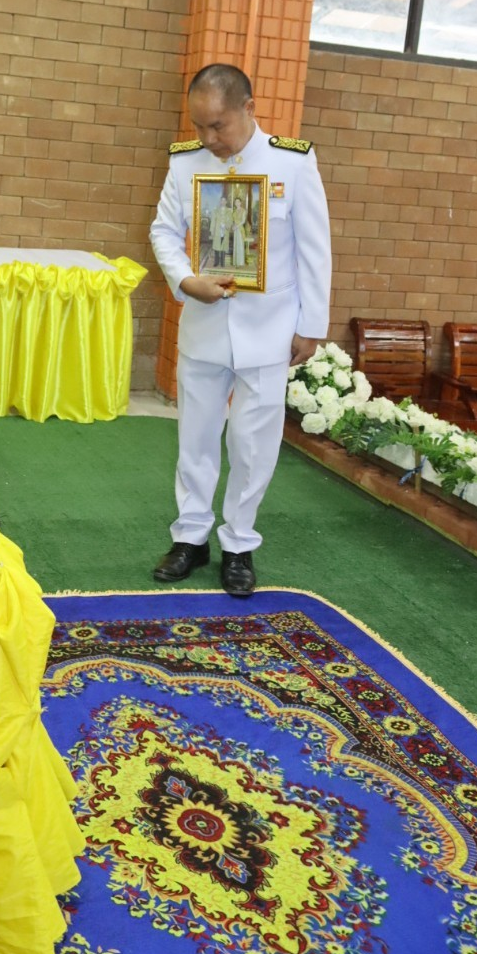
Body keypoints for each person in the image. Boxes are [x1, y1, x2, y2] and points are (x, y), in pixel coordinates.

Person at [150, 63, 332, 597]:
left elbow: (314, 248)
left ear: (249, 109)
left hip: (270, 327)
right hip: (205, 322)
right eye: (200, 127)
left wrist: (310, 325)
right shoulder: (185, 165)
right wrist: (185, 280)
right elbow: (163, 229)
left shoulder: (292, 162)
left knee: (253, 443)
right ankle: (190, 537)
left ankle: (238, 544)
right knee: (196, 438)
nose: (209, 139)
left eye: (219, 127)